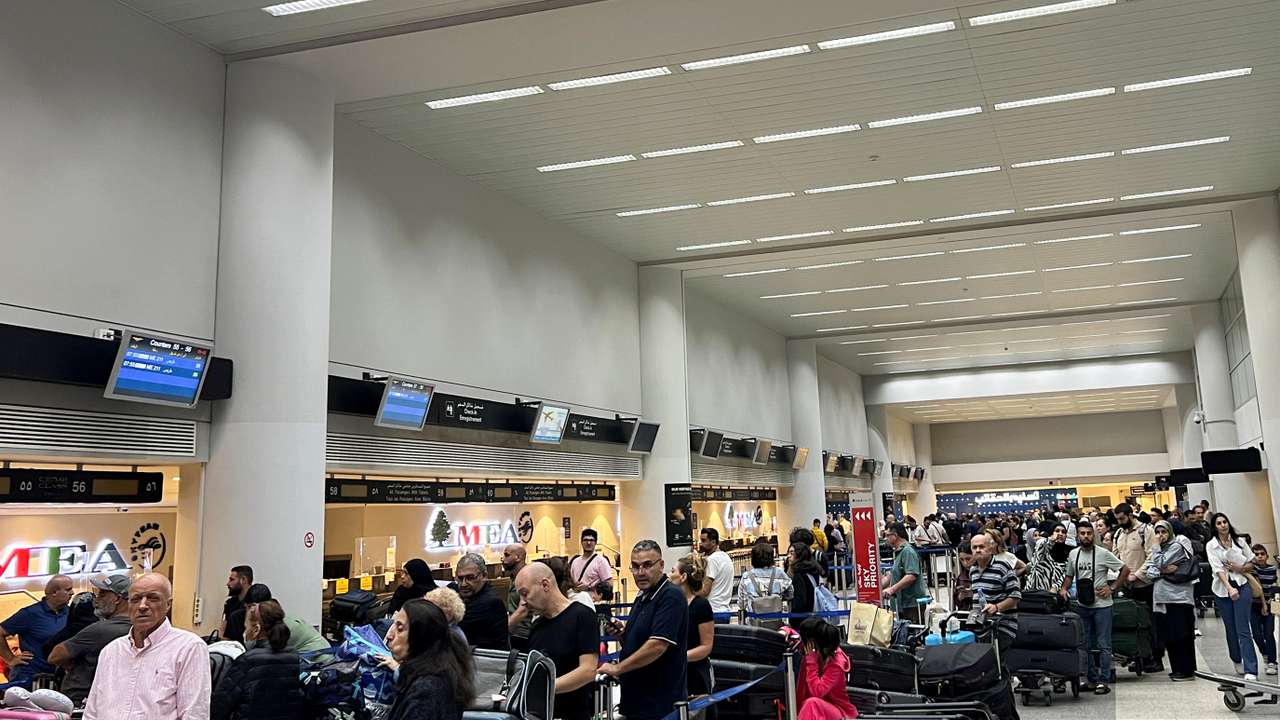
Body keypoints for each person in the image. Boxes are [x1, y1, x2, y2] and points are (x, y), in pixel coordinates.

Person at [84, 573, 210, 720]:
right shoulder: (111, 651)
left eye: (153, 598)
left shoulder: (188, 648)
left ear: (168, 604)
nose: (142, 606)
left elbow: (194, 714)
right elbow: (92, 713)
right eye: (135, 599)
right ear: (128, 604)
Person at [599, 540, 688, 720]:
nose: (640, 573)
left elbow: (657, 645)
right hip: (636, 701)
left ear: (661, 565)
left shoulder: (670, 596)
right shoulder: (643, 597)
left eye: (647, 565)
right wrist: (622, 636)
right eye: (635, 566)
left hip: (659, 704)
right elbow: (637, 643)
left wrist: (618, 669)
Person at [517, 563, 598, 720]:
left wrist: (545, 687)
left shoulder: (582, 616)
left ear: (545, 585)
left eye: (525, 593)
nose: (523, 602)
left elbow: (587, 670)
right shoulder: (537, 625)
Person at [1060, 522, 1127, 696]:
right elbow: (1069, 575)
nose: (1086, 536)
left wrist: (1112, 588)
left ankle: (1104, 680)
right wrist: (1064, 588)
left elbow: (1124, 569)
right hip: (1083, 605)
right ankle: (1091, 678)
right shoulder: (1074, 554)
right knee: (1085, 644)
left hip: (1102, 606)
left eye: (1089, 533)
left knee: (1104, 644)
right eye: (1082, 533)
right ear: (1077, 536)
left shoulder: (1104, 554)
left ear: (1094, 535)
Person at [380, 599, 474, 720]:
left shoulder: (426, 690)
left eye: (400, 629)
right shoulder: (436, 671)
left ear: (420, 636)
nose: (389, 635)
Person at [47, 574, 133, 706]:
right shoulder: (137, 629)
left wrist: (69, 662)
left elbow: (55, 656)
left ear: (117, 599)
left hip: (80, 701)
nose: (96, 599)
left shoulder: (99, 630)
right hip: (113, 700)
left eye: (103, 594)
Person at [211, 600, 304, 720]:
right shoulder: (293, 656)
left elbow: (221, 704)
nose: (245, 631)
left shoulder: (247, 660)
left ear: (256, 629)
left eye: (246, 626)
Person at [1141, 520, 1198, 681]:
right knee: (1169, 636)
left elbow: (1158, 563)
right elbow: (1151, 572)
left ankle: (1186, 670)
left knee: (1181, 635)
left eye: (1163, 532)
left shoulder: (1176, 547)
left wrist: (1157, 552)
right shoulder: (1162, 549)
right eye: (1157, 532)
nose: (1160, 536)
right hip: (1163, 598)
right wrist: (1163, 571)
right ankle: (1177, 669)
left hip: (1178, 599)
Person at [1208, 513, 1260, 680]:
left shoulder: (1239, 541)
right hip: (1222, 590)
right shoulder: (1211, 545)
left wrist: (1241, 568)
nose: (1223, 525)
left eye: (1225, 522)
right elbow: (1218, 569)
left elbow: (1252, 562)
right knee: (1231, 629)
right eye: (1219, 523)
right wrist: (1229, 588)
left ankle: (1251, 668)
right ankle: (1236, 659)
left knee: (1243, 628)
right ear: (1214, 527)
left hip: (1242, 585)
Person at [1112, 502, 1162, 672]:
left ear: (1130, 514)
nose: (1119, 521)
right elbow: (1115, 556)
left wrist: (1137, 574)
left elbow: (1152, 556)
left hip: (1144, 584)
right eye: (1117, 519)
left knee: (1148, 623)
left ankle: (1155, 658)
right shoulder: (1118, 533)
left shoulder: (1145, 531)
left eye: (1122, 518)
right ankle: (1138, 656)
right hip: (1126, 585)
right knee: (1132, 623)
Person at [0, 574, 72, 690]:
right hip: (29, 677)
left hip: (59, 678)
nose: (72, 593)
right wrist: (11, 659)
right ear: (54, 592)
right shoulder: (30, 613)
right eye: (68, 590)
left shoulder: (71, 614)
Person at [669, 554, 716, 719]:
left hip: (695, 674)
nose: (669, 574)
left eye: (672, 570)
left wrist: (680, 657)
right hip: (674, 673)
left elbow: (706, 646)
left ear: (683, 577)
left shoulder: (701, 605)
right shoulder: (671, 604)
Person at [795, 618, 857, 720]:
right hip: (814, 708)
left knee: (811, 703)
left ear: (812, 642)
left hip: (838, 710)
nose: (802, 644)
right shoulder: (816, 654)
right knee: (810, 705)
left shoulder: (836, 664)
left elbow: (817, 692)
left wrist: (811, 662)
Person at [452, 553, 510, 650]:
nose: (463, 584)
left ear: (484, 576)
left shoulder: (491, 602)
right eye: (460, 578)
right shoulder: (458, 592)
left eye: (470, 578)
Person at [881, 523, 928, 624]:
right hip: (902, 604)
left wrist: (892, 589)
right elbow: (893, 574)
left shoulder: (907, 552)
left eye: (887, 535)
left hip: (911, 604)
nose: (886, 538)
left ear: (895, 535)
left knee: (913, 634)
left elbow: (911, 576)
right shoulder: (899, 552)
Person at [738, 542, 792, 625]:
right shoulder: (779, 573)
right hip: (776, 620)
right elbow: (790, 594)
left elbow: (741, 603)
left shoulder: (747, 576)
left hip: (754, 622)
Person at [968, 533, 1019, 614]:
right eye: (974, 547)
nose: (977, 550)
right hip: (980, 621)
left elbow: (1015, 596)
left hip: (1002, 621)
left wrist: (997, 607)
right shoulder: (973, 570)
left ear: (990, 549)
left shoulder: (1002, 566)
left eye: (981, 547)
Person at [1251, 544, 1279, 675]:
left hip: (1269, 603)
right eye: (1256, 554)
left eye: (1262, 554)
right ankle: (1265, 654)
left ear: (1267, 555)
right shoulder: (1252, 569)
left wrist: (1270, 601)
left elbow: (1274, 585)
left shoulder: (1272, 568)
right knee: (1256, 634)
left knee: (1269, 633)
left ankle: (1272, 661)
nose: (1260, 557)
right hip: (1254, 605)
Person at [1024, 523, 1070, 593]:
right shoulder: (1043, 546)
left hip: (1051, 595)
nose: (1060, 534)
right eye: (1057, 531)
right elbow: (1041, 546)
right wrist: (1051, 540)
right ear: (1051, 533)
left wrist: (1055, 587)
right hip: (1033, 591)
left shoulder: (1067, 555)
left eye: (1063, 532)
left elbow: (1065, 575)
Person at [501, 544, 531, 650]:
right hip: (515, 632)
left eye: (507, 555)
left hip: (524, 634)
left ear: (518, 557)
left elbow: (524, 609)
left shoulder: (527, 576)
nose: (503, 559)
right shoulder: (514, 576)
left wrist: (503, 629)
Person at [699, 528, 734, 616]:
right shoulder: (726, 557)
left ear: (713, 542)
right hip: (725, 610)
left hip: (712, 611)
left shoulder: (712, 560)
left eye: (704, 541)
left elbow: (705, 591)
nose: (701, 544)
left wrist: (687, 593)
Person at [569, 528, 615, 593]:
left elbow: (609, 585)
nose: (588, 543)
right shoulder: (575, 562)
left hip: (594, 601)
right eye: (586, 540)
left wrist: (589, 587)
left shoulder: (601, 561)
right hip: (578, 600)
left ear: (595, 542)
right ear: (581, 542)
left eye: (591, 540)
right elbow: (571, 582)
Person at [788, 542, 823, 615]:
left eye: (792, 553)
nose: (788, 556)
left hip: (802, 617)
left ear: (800, 555)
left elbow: (799, 602)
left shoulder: (798, 574)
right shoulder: (813, 570)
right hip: (814, 613)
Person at [221, 566, 253, 634]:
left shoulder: (255, 602)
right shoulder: (230, 603)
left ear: (243, 580)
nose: (228, 583)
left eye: (232, 580)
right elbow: (223, 631)